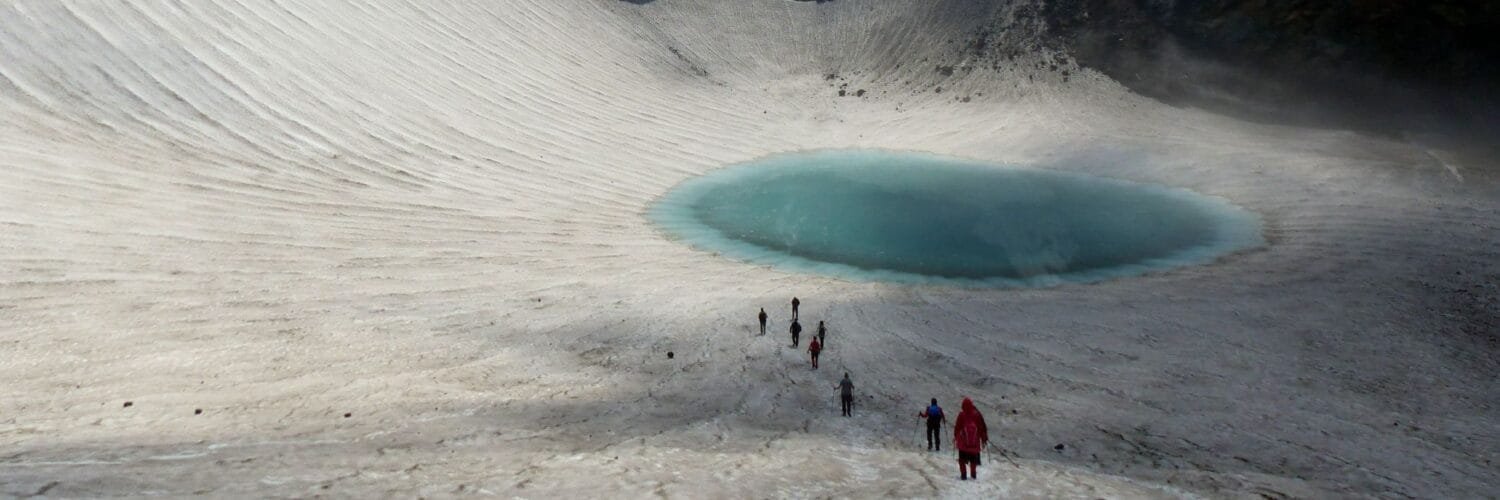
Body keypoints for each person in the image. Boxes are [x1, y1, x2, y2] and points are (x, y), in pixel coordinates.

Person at [953, 397, 988, 480]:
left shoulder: (961, 414)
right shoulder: (976, 415)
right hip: (974, 443)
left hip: (963, 443)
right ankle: (973, 474)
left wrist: (956, 437)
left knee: (962, 460)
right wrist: (983, 438)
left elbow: (957, 427)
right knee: (973, 460)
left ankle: (964, 475)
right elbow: (980, 428)